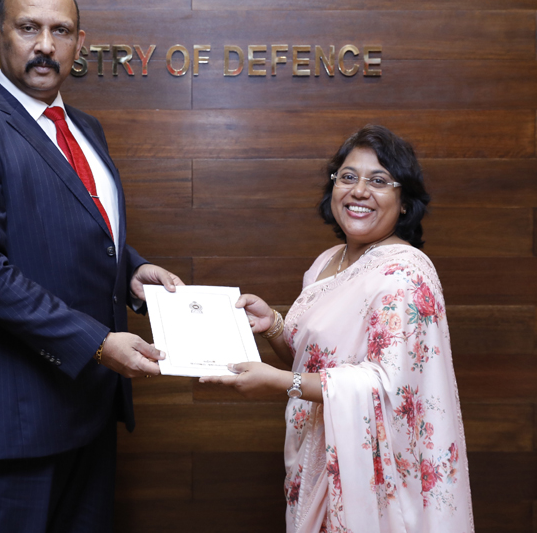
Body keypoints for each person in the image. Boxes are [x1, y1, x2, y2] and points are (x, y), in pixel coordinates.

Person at [0, 0, 183, 533]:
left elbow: (79, 227)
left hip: (92, 410)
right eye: (29, 28)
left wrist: (134, 269)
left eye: (60, 31)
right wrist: (95, 342)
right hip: (21, 418)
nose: (45, 44)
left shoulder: (86, 129)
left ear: (79, 44)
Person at [201, 125, 474, 533]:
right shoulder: (329, 261)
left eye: (379, 181)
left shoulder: (403, 273)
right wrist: (274, 325)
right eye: (348, 177)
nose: (359, 191)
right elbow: (316, 359)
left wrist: (281, 384)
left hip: (366, 477)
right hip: (312, 460)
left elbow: (386, 387)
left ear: (403, 203)